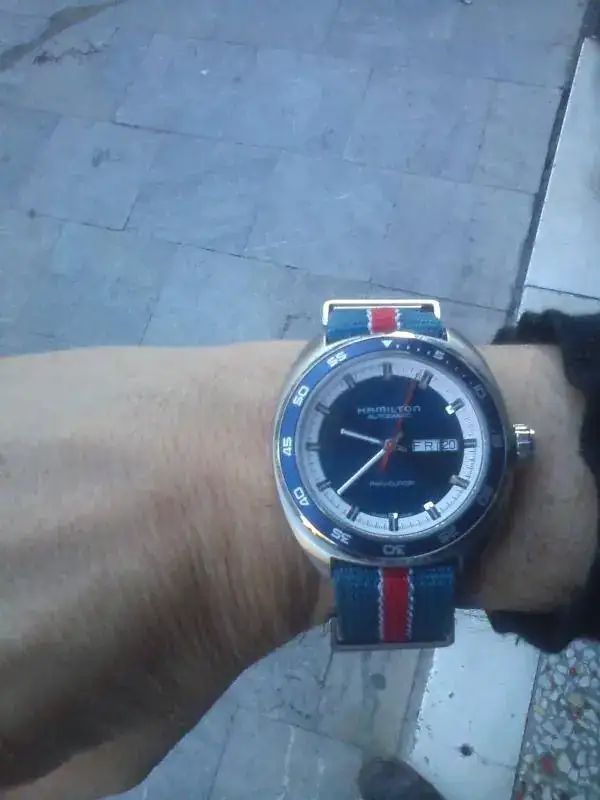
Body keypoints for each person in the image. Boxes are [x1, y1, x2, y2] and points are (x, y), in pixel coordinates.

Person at [0, 313, 598, 800]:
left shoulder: (492, 472)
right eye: (385, 446)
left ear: (515, 445)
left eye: (393, 445)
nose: (390, 449)